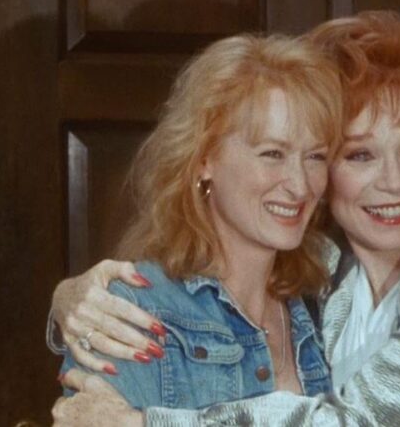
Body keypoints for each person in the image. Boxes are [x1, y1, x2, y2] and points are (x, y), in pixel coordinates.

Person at [51, 11, 400, 426]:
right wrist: (68, 300)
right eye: (359, 154)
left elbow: (363, 422)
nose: (395, 181)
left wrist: (146, 424)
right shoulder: (319, 279)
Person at [51, 33, 347, 416]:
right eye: (272, 153)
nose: (300, 184)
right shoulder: (130, 312)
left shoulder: (327, 301)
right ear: (204, 158)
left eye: (315, 157)